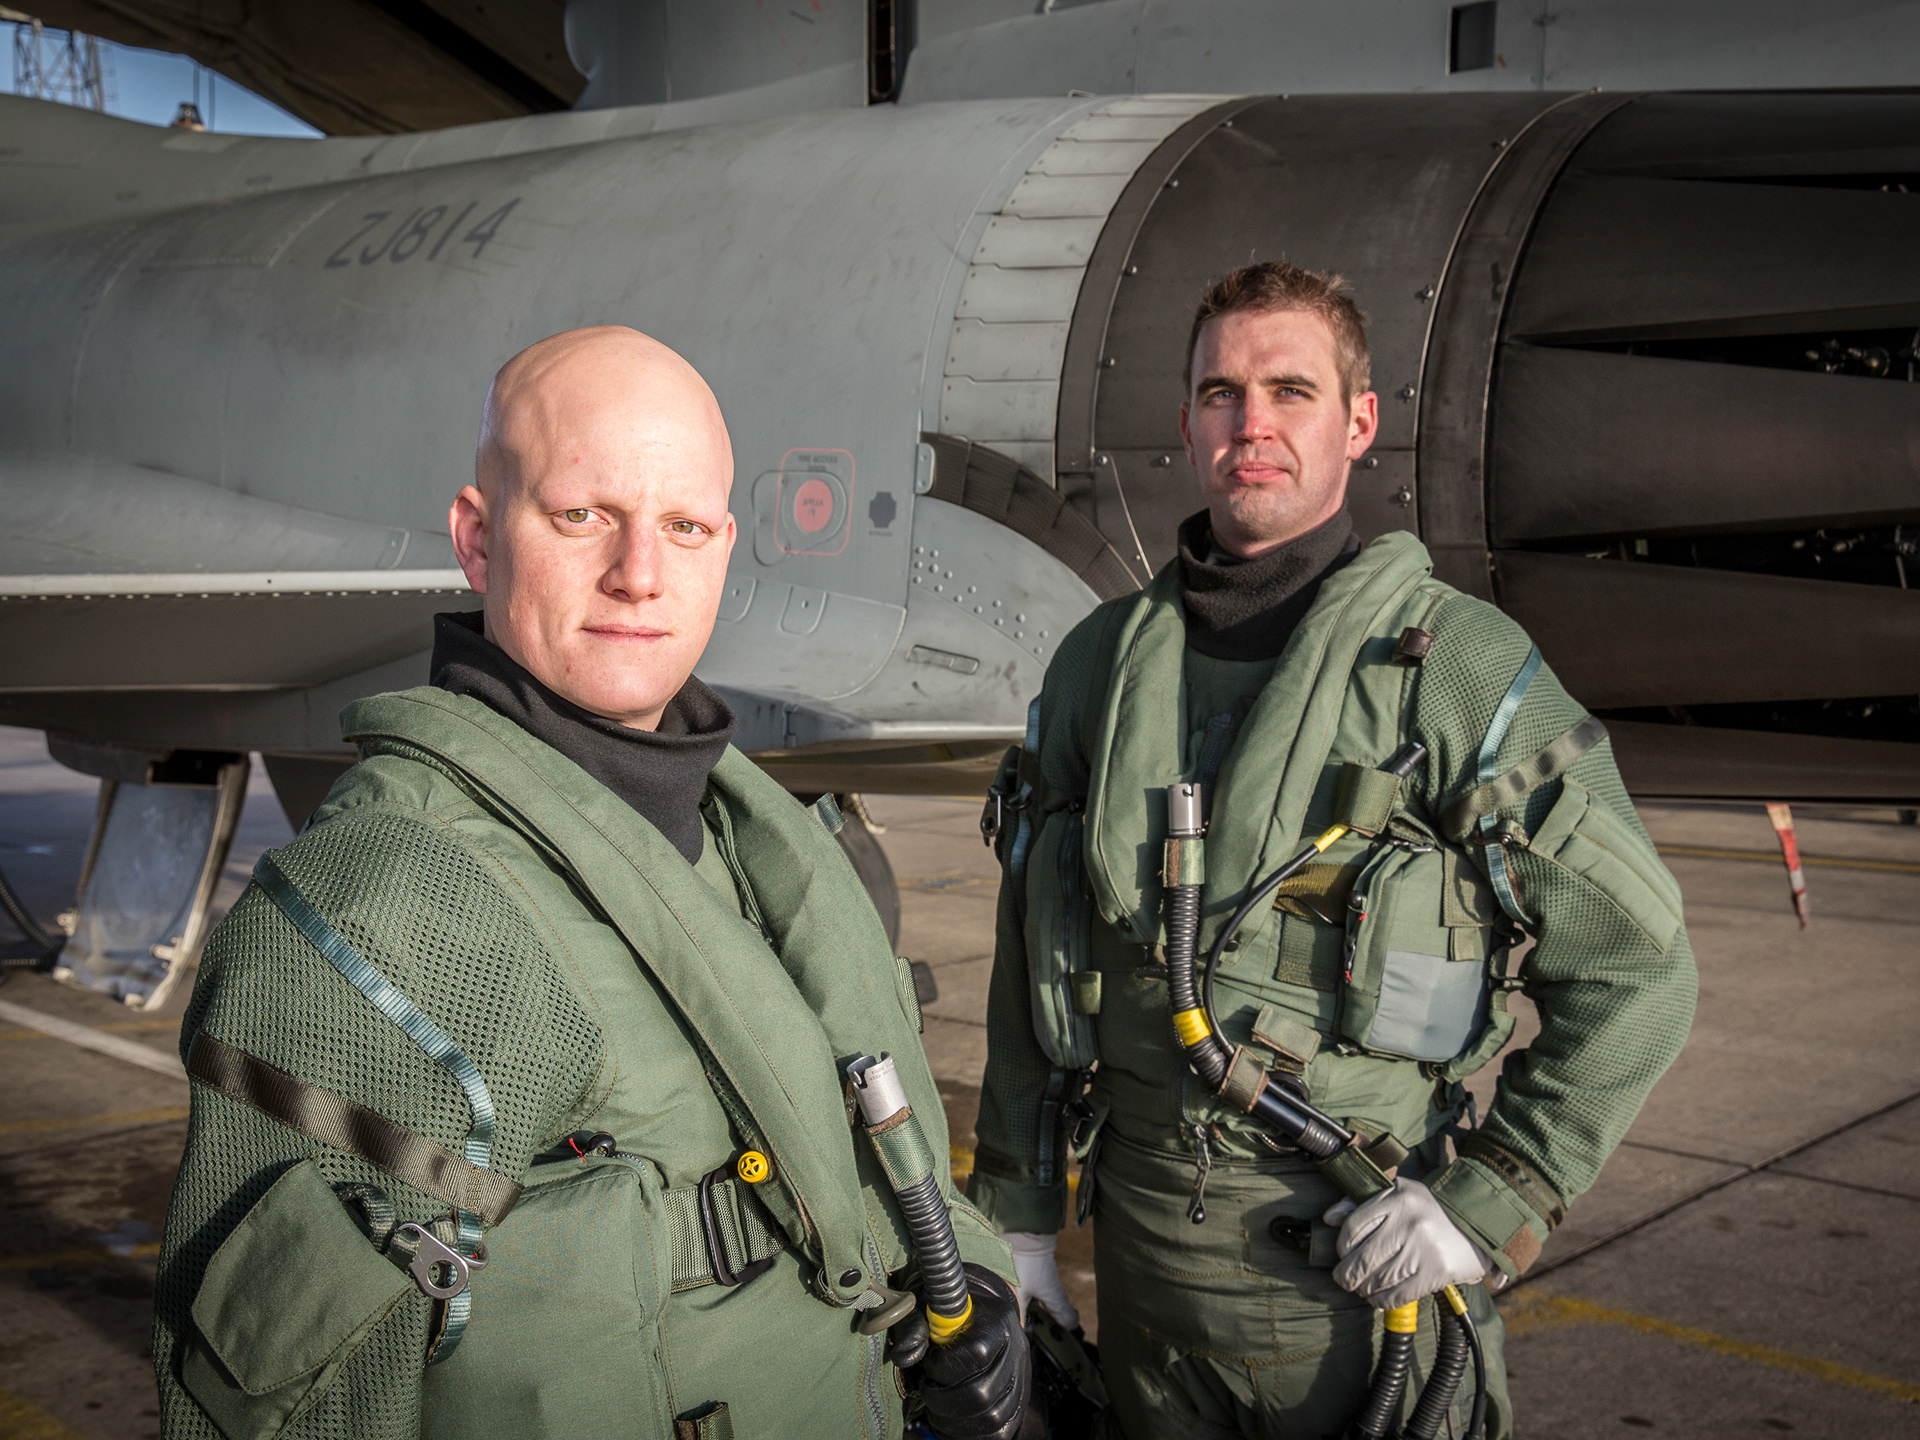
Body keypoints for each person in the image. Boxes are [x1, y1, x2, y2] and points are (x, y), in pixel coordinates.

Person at [154, 326, 1029, 1440]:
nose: (639, 575)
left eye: (683, 526)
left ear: (724, 546)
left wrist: (968, 1288)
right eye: (582, 517)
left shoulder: (753, 841)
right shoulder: (387, 911)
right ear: (478, 540)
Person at [969, 263, 1696, 1438]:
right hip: (1144, 1307)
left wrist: (1494, 1193)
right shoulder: (1096, 667)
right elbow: (1030, 947)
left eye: (1290, 390)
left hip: (1361, 1300)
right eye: (1221, 392)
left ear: (1358, 423)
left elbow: (1641, 970)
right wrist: (1014, 1219)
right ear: (1188, 421)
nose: (1251, 425)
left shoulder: (1454, 672)